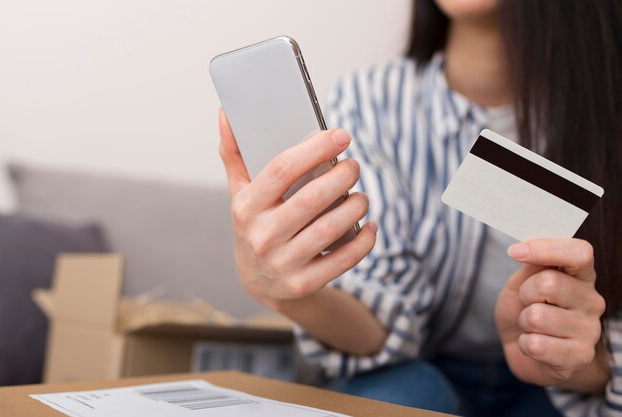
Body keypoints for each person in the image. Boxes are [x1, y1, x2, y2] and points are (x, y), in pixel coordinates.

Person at [217, 1, 622, 416]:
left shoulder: (607, 112)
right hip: (420, 371)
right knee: (407, 391)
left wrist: (573, 360)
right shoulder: (371, 102)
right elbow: (385, 320)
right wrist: (287, 296)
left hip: (569, 390)